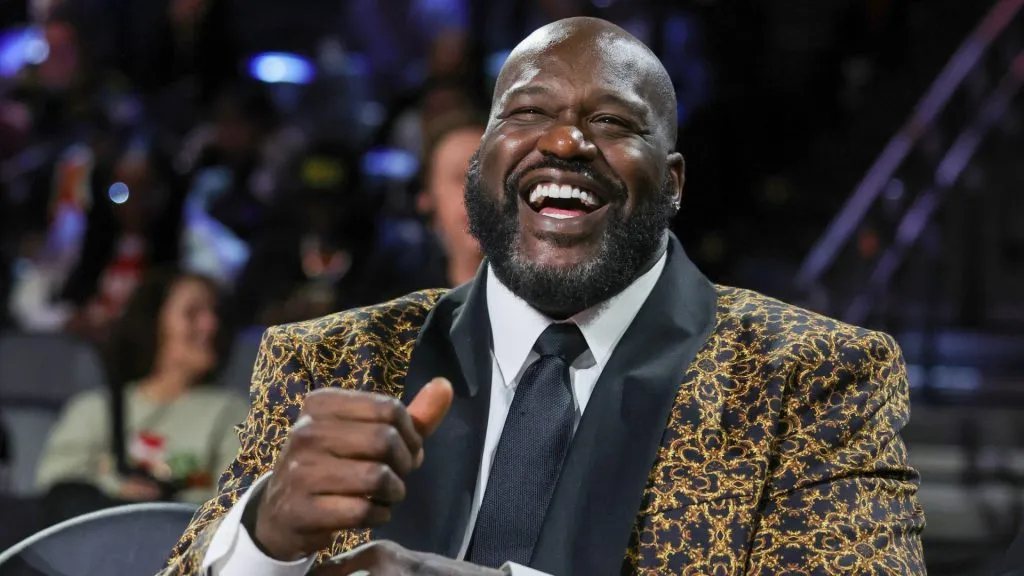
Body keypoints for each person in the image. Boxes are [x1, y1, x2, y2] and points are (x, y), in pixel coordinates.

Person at [163, 17, 925, 575]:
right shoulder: (332, 359)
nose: (564, 143)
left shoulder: (811, 377)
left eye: (614, 122)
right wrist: (263, 541)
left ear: (675, 180)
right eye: (527, 114)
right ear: (478, 167)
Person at [35, 269, 248, 524]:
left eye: (215, 314)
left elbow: (238, 501)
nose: (211, 325)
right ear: (153, 322)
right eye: (193, 313)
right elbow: (56, 485)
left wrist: (162, 500)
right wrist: (117, 488)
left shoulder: (232, 411)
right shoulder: (95, 408)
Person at [416, 110, 487, 287]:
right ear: (427, 199)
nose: (476, 190)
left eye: (489, 176)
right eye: (460, 177)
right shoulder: (399, 310)